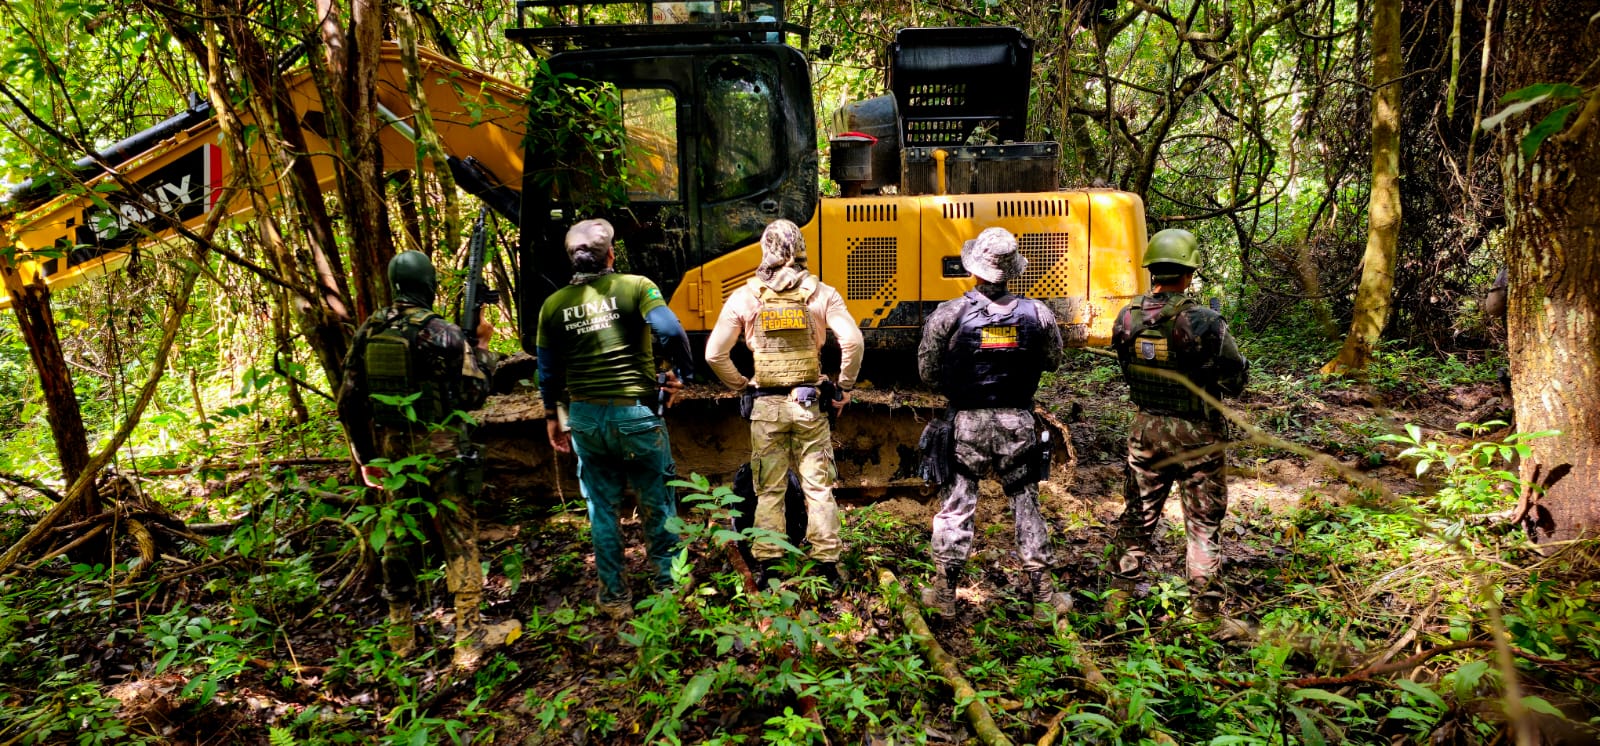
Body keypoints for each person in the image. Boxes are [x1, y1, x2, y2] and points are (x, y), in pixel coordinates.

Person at [338, 250, 519, 669]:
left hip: (393, 451)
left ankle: (400, 632)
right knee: (459, 535)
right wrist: (485, 346)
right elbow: (475, 394)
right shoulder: (444, 333)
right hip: (442, 449)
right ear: (429, 285)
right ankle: (468, 634)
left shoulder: (369, 330)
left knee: (398, 536)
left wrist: (367, 456)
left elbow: (348, 402)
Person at [536, 219, 695, 620]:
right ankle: (668, 584)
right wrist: (681, 373)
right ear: (611, 255)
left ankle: (614, 596)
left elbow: (548, 371)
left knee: (601, 509)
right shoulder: (637, 287)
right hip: (636, 414)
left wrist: (552, 418)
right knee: (656, 499)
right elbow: (669, 330)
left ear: (572, 259)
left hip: (585, 418)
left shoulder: (553, 306)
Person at [916, 227, 1071, 622]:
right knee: (1025, 502)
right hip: (1018, 420)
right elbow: (1053, 360)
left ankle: (945, 595)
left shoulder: (949, 314)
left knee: (956, 504)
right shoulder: (1038, 313)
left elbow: (928, 371)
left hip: (965, 421)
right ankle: (1044, 597)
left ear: (974, 270)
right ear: (1013, 271)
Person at [704, 219, 863, 590]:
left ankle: (769, 567)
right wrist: (844, 386)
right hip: (809, 407)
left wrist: (742, 386)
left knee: (769, 489)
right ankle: (826, 567)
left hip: (767, 408)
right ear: (800, 249)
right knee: (818, 488)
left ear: (765, 250)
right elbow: (853, 341)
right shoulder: (822, 293)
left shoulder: (746, 296)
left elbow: (714, 353)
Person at [1108, 228, 1249, 619]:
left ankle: (1116, 601)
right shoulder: (1205, 321)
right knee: (1203, 524)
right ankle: (1203, 612)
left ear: (1153, 270)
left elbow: (1127, 367)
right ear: (1188, 274)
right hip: (1196, 434)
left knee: (1138, 514)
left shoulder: (1126, 316)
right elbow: (1235, 381)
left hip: (1146, 430)